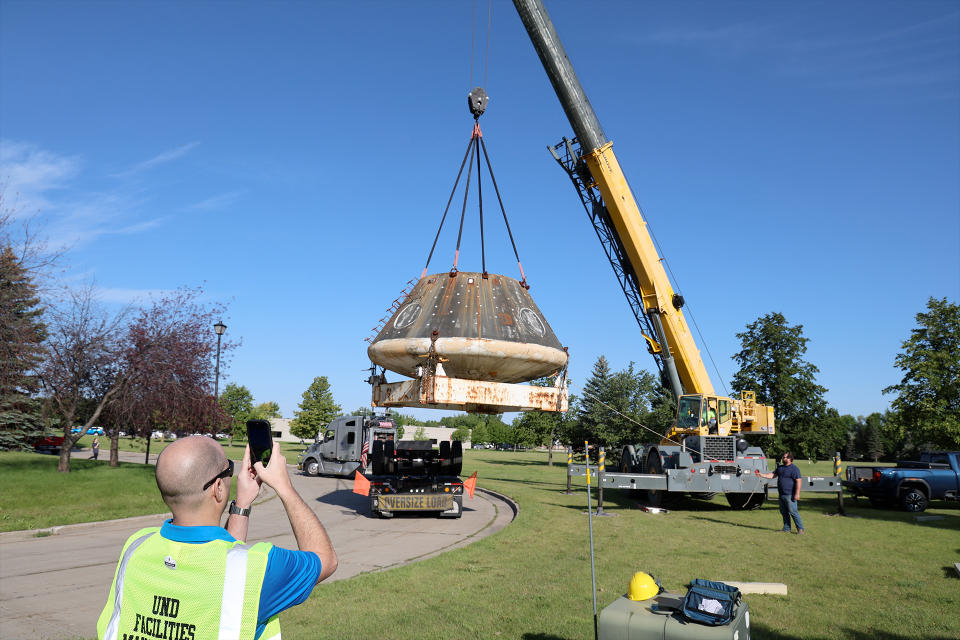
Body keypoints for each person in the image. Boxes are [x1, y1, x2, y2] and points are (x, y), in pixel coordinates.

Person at [97, 435, 337, 640]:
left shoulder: (136, 548)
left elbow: (225, 569)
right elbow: (325, 559)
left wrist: (241, 505)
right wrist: (284, 487)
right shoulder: (260, 570)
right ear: (218, 489)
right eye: (229, 470)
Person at [757, 451, 804, 534]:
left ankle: (800, 529)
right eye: (783, 457)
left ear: (789, 459)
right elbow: (772, 475)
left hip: (790, 495)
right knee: (784, 512)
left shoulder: (794, 469)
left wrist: (797, 494)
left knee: (793, 512)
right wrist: (762, 475)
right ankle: (786, 529)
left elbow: (799, 481)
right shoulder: (780, 468)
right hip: (781, 494)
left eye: (784, 457)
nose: (783, 458)